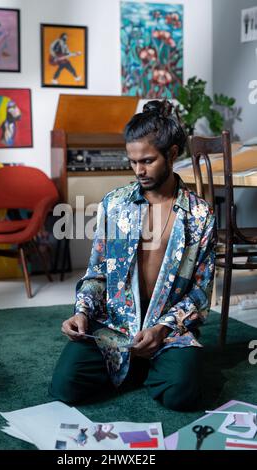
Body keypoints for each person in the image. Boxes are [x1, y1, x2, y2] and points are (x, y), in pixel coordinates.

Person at [49, 99, 216, 411]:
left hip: (168, 333)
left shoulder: (200, 215)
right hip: (114, 328)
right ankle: (134, 363)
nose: (139, 170)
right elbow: (97, 273)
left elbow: (200, 293)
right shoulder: (115, 204)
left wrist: (163, 328)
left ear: (172, 154)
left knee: (183, 394)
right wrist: (82, 312)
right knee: (65, 386)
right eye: (133, 161)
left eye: (148, 161)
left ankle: (150, 365)